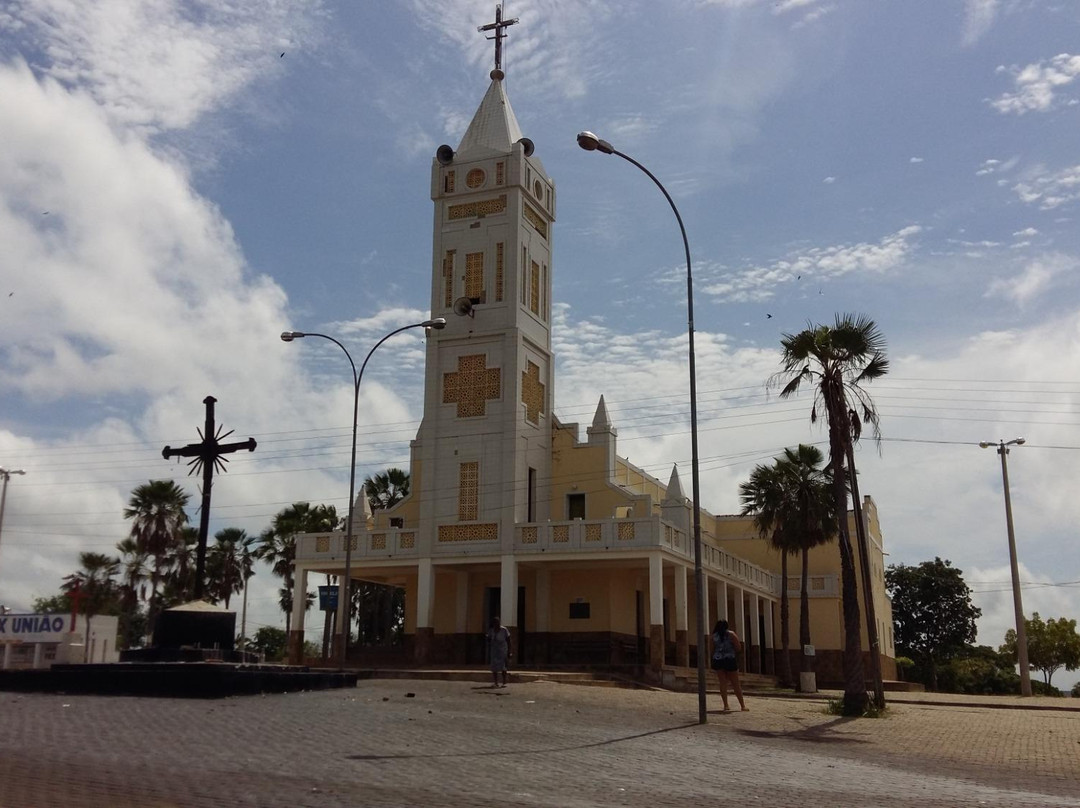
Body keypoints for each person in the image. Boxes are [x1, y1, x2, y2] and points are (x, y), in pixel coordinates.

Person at [711, 619, 748, 712]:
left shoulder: (714, 636)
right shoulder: (731, 634)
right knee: (735, 683)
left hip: (718, 659)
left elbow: (711, 649)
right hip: (729, 659)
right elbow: (738, 647)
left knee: (722, 683)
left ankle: (726, 705)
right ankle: (742, 705)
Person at [486, 616, 512, 688]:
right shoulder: (491, 631)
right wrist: (488, 638)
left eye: (498, 623)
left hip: (502, 650)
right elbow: (488, 640)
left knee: (503, 666)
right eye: (495, 623)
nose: (497, 624)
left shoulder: (504, 630)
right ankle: (496, 682)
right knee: (494, 666)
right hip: (494, 650)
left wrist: (509, 651)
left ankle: (504, 682)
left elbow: (509, 640)